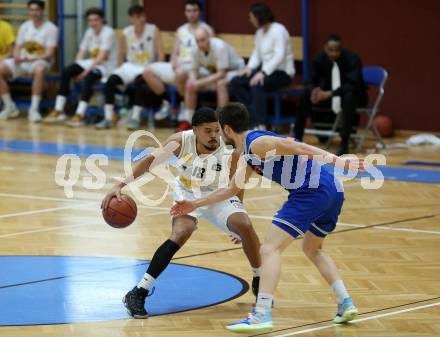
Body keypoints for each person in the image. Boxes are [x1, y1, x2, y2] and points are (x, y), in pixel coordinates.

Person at [171, 103, 365, 333]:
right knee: (313, 249)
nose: (219, 135)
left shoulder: (256, 142)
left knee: (269, 249)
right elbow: (232, 189)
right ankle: (345, 302)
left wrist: (338, 160)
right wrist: (195, 203)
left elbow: (299, 146)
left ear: (227, 129)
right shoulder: (247, 155)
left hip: (313, 191)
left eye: (220, 130)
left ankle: (261, 314)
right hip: (333, 190)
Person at [102, 107, 262, 319]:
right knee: (181, 232)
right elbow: (149, 162)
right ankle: (138, 292)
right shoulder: (179, 141)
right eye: (207, 131)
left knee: (245, 226)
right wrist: (119, 185)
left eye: (216, 130)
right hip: (187, 194)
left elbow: (236, 183)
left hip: (218, 195)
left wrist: (239, 212)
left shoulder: (230, 146)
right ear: (194, 130)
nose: (214, 135)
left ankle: (259, 279)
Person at [144, 0, 214, 129]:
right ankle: (169, 102)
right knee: (147, 71)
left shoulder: (207, 30)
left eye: (194, 10)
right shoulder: (181, 30)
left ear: (200, 12)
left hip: (196, 68)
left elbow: (210, 55)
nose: (191, 14)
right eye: (189, 11)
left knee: (180, 73)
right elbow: (175, 52)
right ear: (185, 13)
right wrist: (173, 61)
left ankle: (183, 106)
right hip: (179, 66)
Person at [293, 35, 367, 155]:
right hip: (325, 98)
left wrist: (331, 93)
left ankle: (344, 143)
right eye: (330, 50)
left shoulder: (352, 59)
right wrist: (314, 91)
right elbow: (309, 81)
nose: (334, 54)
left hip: (348, 97)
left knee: (350, 96)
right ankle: (297, 139)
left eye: (337, 50)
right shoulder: (318, 59)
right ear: (325, 48)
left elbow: (354, 85)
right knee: (305, 94)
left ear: (341, 49)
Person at [43, 7, 117, 127]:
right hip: (92, 62)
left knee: (88, 78)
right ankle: (58, 110)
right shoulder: (89, 31)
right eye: (90, 20)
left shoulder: (108, 32)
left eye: (96, 20)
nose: (93, 23)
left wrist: (83, 73)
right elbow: (81, 51)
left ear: (102, 20)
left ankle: (79, 114)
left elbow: (101, 57)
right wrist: (77, 65)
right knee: (67, 71)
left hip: (107, 66)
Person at [97, 4, 164, 130]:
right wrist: (119, 72)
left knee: (140, 81)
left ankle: (135, 118)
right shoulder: (125, 33)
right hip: (130, 66)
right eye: (138, 16)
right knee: (111, 80)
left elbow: (160, 54)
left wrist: (157, 71)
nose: (142, 19)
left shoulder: (153, 30)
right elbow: (121, 55)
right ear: (132, 19)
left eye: (143, 15)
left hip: (147, 67)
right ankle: (108, 118)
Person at [229, 3, 294, 130]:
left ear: (259, 17)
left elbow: (279, 56)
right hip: (266, 71)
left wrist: (263, 72)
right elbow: (256, 54)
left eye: (251, 17)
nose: (250, 20)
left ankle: (260, 124)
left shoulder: (279, 30)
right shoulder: (259, 33)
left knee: (257, 84)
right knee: (236, 82)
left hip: (283, 73)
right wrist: (249, 68)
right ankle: (252, 117)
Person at [0, 0, 58, 122]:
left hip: (40, 60)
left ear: (42, 11)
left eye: (37, 10)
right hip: (23, 60)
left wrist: (31, 58)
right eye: (31, 10)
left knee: (40, 70)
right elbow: (17, 47)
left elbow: (49, 53)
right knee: (0, 68)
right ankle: (9, 106)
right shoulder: (25, 26)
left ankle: (34, 108)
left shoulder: (51, 28)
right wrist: (16, 56)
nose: (34, 13)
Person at [181, 27, 244, 128]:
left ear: (209, 38)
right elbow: (194, 70)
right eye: (197, 41)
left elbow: (222, 74)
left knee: (220, 84)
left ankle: (221, 122)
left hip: (235, 71)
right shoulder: (195, 49)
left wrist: (199, 83)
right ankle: (188, 121)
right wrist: (192, 80)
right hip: (214, 72)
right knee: (190, 84)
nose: (200, 43)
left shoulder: (220, 46)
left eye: (202, 40)